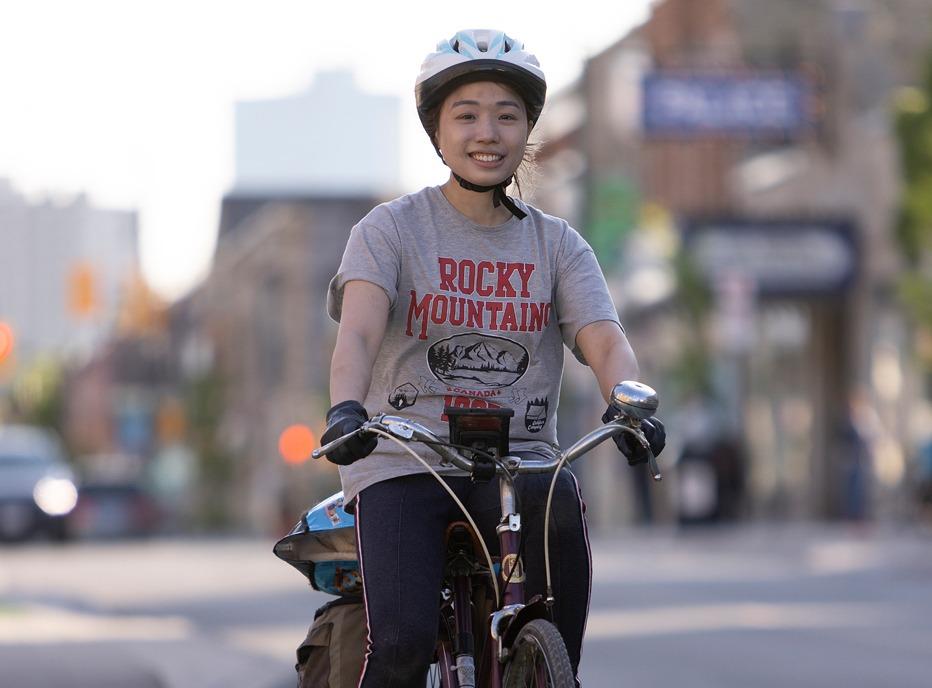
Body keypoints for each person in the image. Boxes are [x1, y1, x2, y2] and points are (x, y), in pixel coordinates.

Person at [322, 29, 665, 686]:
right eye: (467, 115)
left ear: (527, 130)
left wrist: (628, 400)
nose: (489, 132)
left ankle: (543, 669)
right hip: (405, 459)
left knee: (559, 502)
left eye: (507, 115)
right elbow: (359, 334)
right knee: (401, 642)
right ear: (437, 131)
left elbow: (604, 340)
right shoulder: (389, 230)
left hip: (521, 463)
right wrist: (344, 409)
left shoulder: (559, 246)